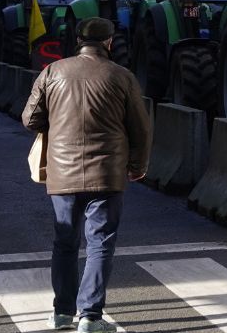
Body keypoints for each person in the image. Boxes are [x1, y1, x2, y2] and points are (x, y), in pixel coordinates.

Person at [21, 17, 152, 333]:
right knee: (100, 243)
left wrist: (60, 125)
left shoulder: (52, 72)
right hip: (107, 174)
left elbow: (30, 119)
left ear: (77, 40)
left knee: (65, 241)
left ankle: (62, 312)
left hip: (62, 173)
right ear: (109, 42)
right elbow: (141, 128)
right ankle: (91, 317)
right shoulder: (122, 77)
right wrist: (138, 165)